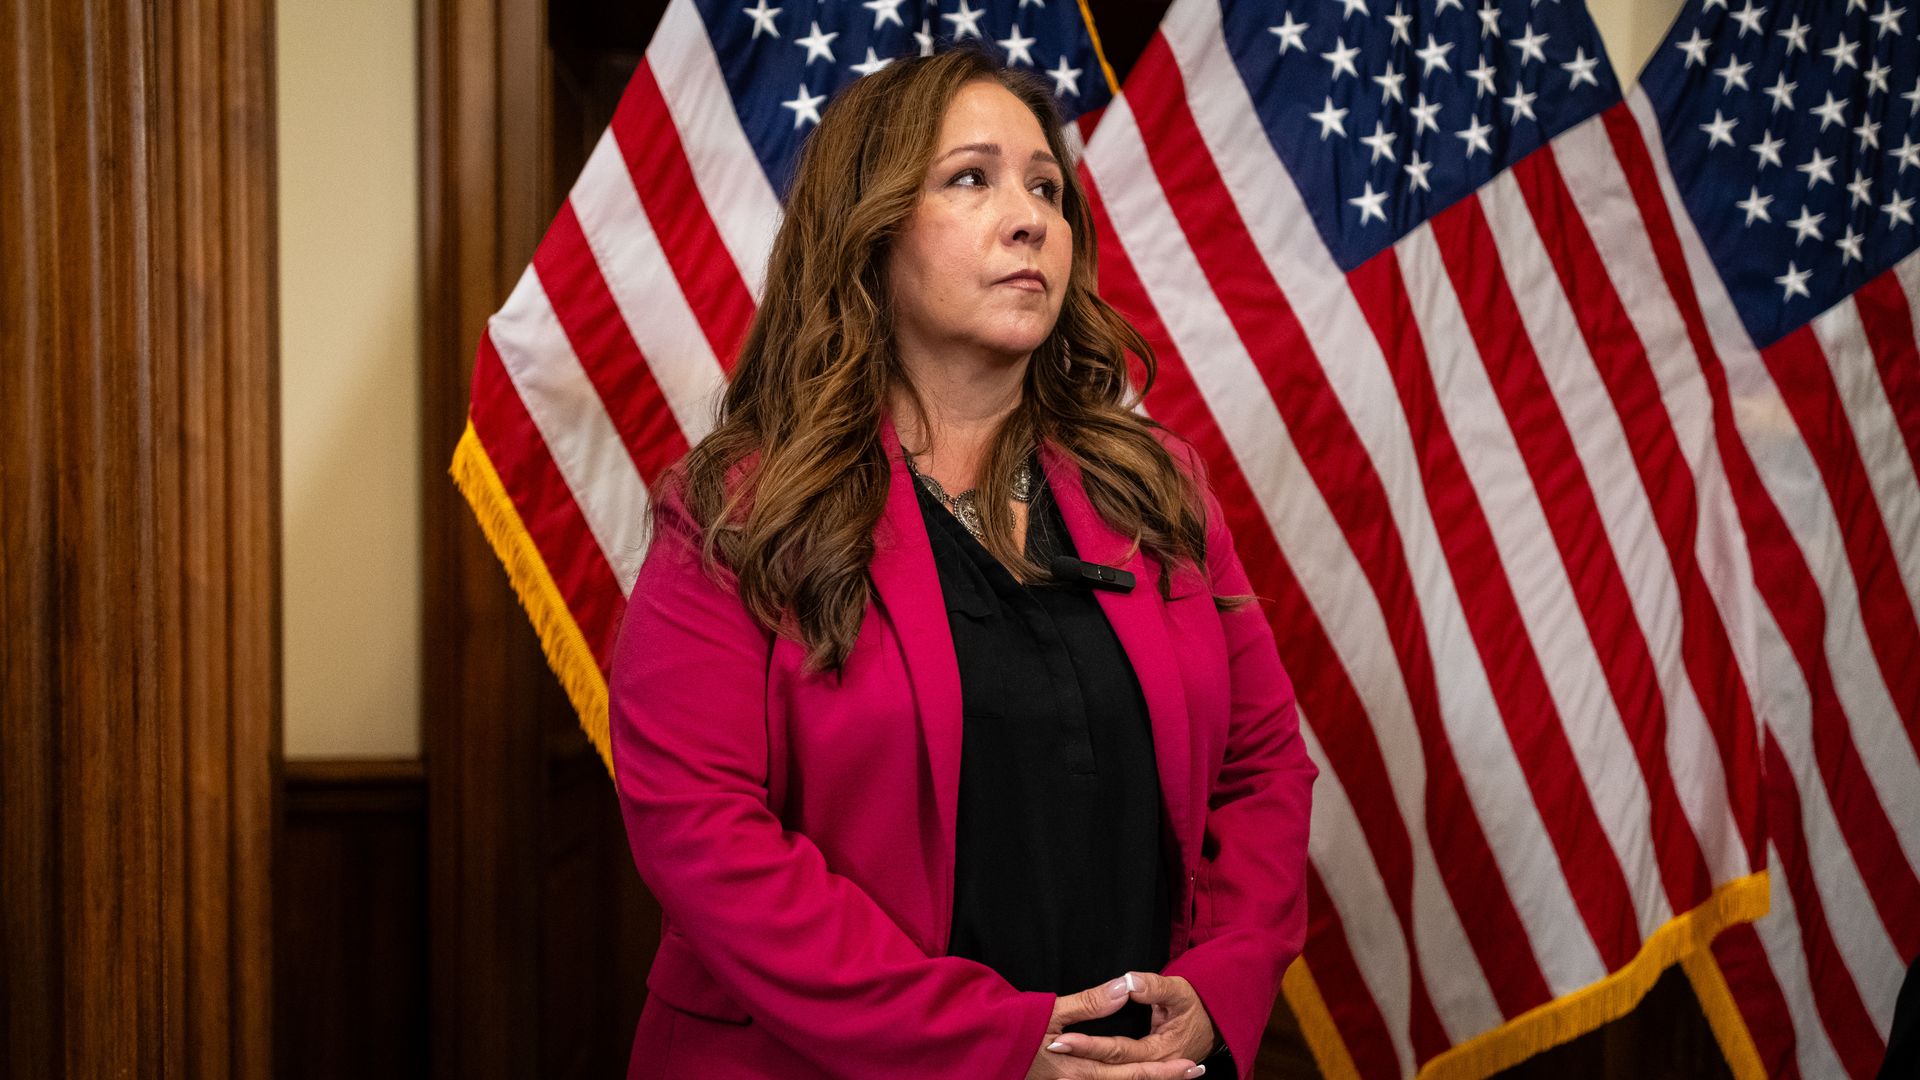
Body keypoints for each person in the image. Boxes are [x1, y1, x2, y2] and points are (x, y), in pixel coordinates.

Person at [608, 47, 1315, 1080]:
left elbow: (1263, 767)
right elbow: (705, 837)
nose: (1029, 216)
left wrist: (1225, 977)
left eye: (1045, 187)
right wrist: (992, 1043)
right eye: (971, 178)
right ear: (873, 229)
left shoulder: (1156, 487)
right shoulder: (737, 512)